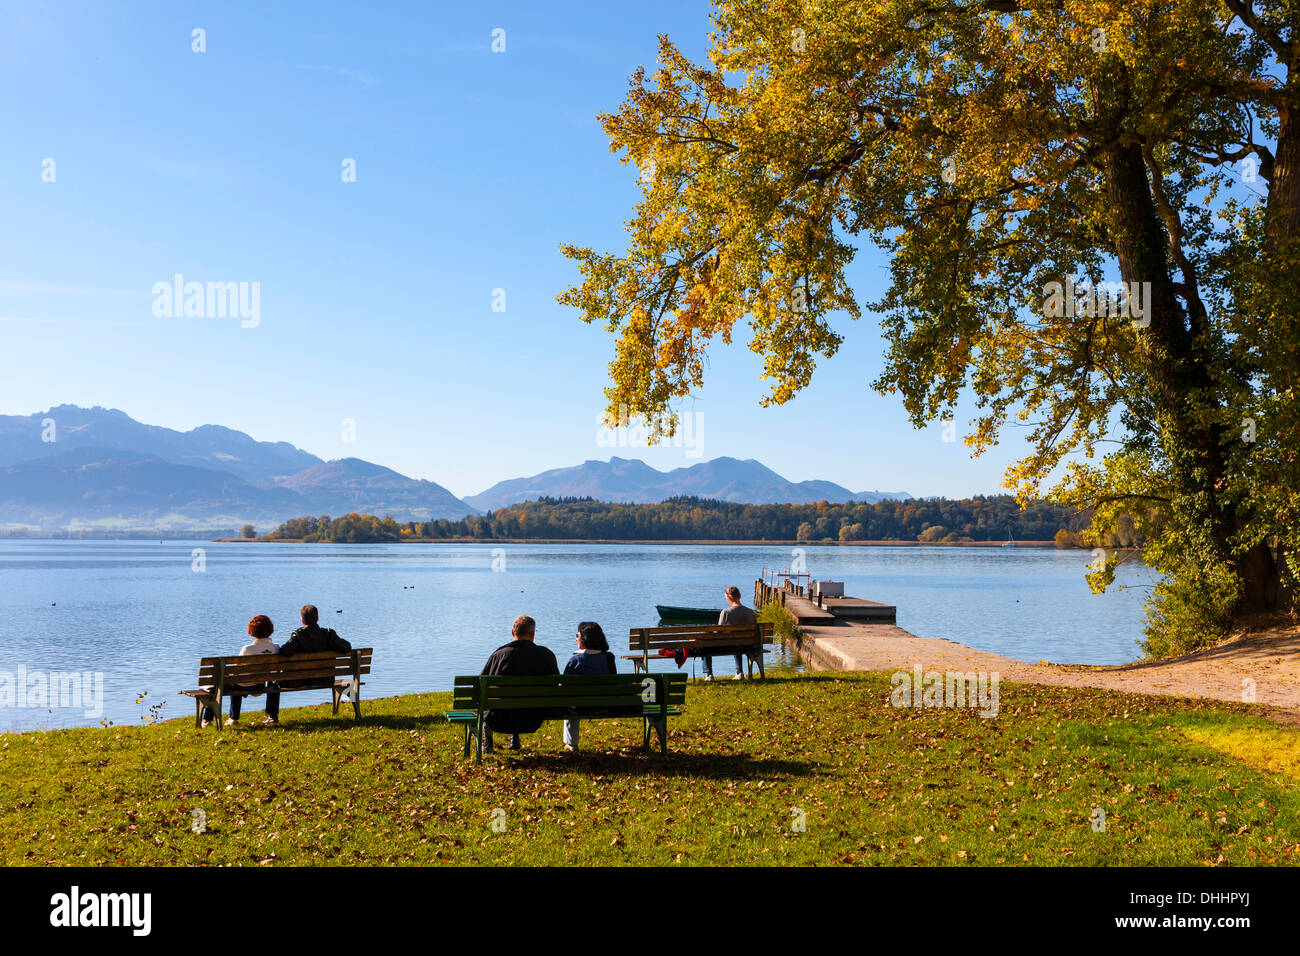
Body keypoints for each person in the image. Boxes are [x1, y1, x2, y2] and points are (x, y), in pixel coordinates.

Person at [480, 615, 559, 752]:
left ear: (512, 633)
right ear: (533, 633)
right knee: (517, 701)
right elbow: (555, 686)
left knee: (489, 702)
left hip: (499, 717)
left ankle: (488, 743)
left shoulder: (499, 656)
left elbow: (481, 685)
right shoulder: (546, 655)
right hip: (534, 716)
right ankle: (514, 738)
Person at [201, 614, 281, 727]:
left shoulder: (247, 649)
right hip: (260, 685)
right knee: (237, 681)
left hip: (242, 685)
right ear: (270, 629)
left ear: (252, 631)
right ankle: (231, 718)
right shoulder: (275, 648)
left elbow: (236, 670)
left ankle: (211, 719)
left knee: (222, 684)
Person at [562, 621, 617, 752]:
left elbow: (565, 686)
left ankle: (571, 744)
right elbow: (613, 682)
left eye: (577, 635)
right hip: (603, 706)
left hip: (577, 708)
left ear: (583, 639)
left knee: (570, 701)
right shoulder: (608, 658)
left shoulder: (575, 660)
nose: (576, 638)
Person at [702, 585, 759, 681]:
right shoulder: (750, 612)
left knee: (704, 646)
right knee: (737, 641)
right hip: (749, 646)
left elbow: (718, 633)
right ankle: (739, 672)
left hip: (728, 646)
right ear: (739, 596)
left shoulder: (726, 612)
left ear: (728, 597)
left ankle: (709, 674)